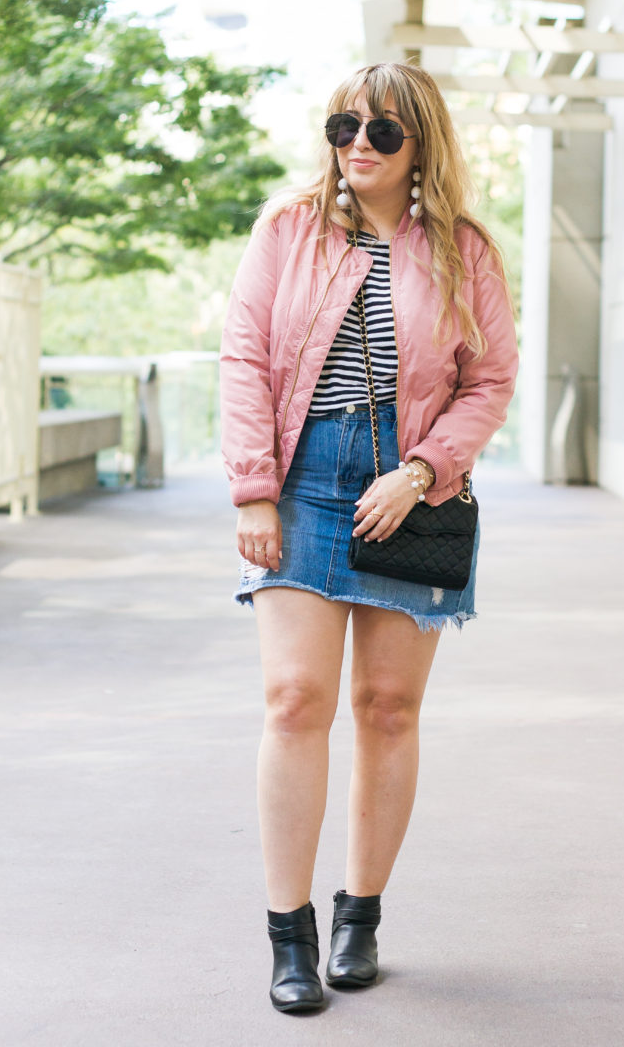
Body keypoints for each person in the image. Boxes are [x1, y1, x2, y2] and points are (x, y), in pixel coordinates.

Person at [219, 62, 519, 1013]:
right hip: (303, 479)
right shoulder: (286, 229)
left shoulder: (463, 248)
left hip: (414, 487)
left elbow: (490, 379)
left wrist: (424, 469)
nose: (359, 143)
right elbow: (244, 356)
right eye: (345, 123)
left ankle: (361, 917)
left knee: (387, 707)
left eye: (384, 131)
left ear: (420, 143)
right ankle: (289, 934)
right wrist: (254, 491)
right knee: (295, 699)